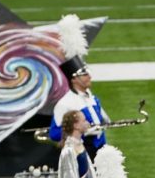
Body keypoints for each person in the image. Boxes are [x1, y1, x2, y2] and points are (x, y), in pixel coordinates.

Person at [46, 14, 110, 160]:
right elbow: (54, 134)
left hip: (100, 151)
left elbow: (102, 123)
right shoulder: (65, 103)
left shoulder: (92, 98)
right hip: (82, 152)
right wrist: (84, 131)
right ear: (74, 79)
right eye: (84, 74)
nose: (89, 76)